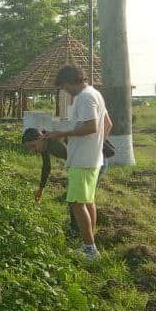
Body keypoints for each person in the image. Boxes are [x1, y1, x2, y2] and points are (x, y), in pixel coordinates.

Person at [41, 65, 112, 260]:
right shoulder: (96, 94)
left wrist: (61, 133)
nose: (65, 91)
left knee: (75, 203)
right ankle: (90, 242)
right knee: (87, 201)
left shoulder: (84, 97)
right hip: (93, 158)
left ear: (71, 81)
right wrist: (98, 145)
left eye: (64, 86)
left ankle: (90, 249)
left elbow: (91, 126)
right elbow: (107, 124)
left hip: (82, 159)